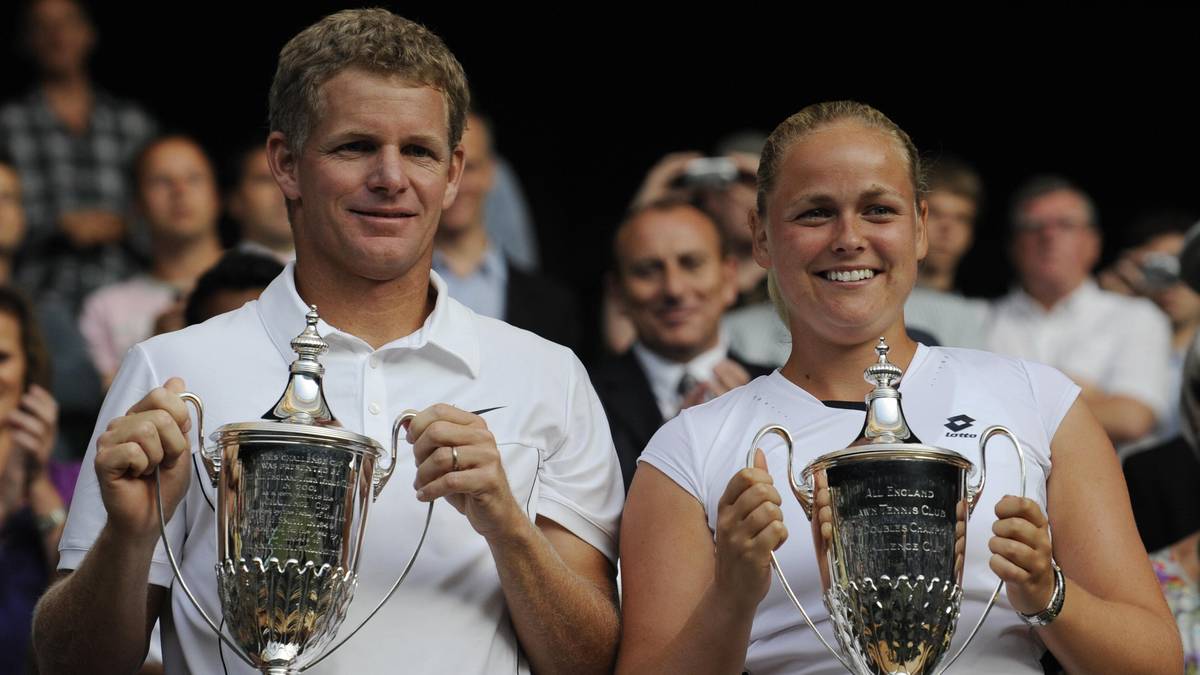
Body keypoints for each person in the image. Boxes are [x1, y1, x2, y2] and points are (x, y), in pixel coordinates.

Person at [33, 9, 622, 675]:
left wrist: (509, 529)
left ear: (454, 173)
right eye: (355, 146)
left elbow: (595, 661)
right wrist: (127, 540)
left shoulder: (548, 374)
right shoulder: (171, 370)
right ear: (285, 163)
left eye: (420, 151)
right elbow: (68, 664)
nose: (391, 177)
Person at [616, 100, 1181, 674]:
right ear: (760, 237)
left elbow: (1156, 662)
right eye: (814, 213)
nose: (849, 238)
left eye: (878, 210)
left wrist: (1047, 594)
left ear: (921, 229)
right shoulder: (687, 449)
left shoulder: (1040, 402)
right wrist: (731, 600)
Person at [590, 200, 772, 489]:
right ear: (617, 292)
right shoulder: (583, 401)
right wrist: (673, 443)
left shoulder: (780, 387)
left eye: (691, 264)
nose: (674, 289)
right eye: (648, 270)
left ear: (729, 278)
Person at [988, 176, 1171, 446]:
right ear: (1013, 244)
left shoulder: (1138, 317)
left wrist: (1009, 401)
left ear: (1093, 242)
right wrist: (1084, 394)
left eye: (1065, 225)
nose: (1048, 235)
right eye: (1033, 226)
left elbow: (1131, 419)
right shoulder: (982, 318)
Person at [0, 0, 155, 311]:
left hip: (126, 290)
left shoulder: (130, 123)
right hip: (38, 294)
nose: (57, 35)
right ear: (26, 40)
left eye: (68, 22)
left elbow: (157, 210)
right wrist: (56, 227)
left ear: (89, 33)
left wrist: (123, 226)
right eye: (42, 26)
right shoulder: (9, 123)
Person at [77, 135, 224, 387]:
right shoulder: (104, 306)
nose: (180, 191)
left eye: (193, 178)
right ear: (136, 204)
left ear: (217, 195)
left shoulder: (269, 279)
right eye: (161, 181)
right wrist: (154, 344)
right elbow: (106, 412)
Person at [434, 111, 581, 352]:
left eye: (469, 168)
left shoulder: (551, 303)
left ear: (491, 173)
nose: (457, 184)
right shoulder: (391, 292)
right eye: (445, 168)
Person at [0, 286, 72, 670]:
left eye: (1, 358)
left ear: (29, 368)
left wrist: (37, 484)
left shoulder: (76, 482)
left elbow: (87, 610)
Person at [226, 140, 294, 263]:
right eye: (265, 180)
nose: (284, 191)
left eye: (292, 177)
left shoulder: (336, 269)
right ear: (235, 200)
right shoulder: (213, 276)